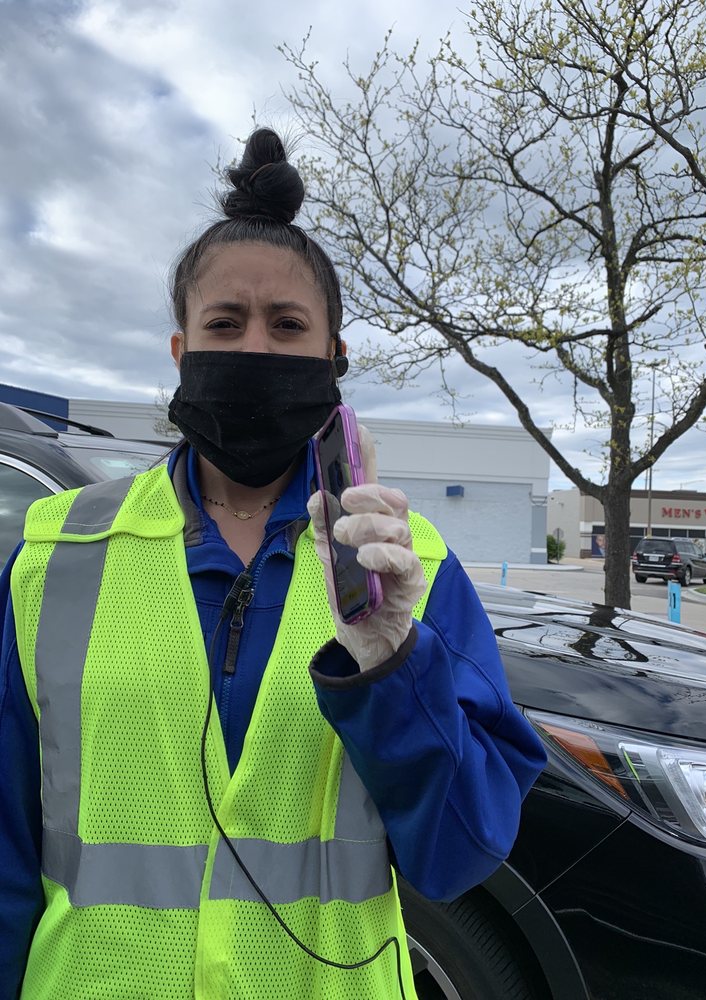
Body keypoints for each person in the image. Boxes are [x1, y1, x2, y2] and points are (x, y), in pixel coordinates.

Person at [0, 128, 546, 999]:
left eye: (288, 325)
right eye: (225, 323)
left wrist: (396, 666)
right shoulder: (55, 556)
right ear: (181, 350)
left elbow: (459, 853)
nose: (254, 348)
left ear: (334, 358)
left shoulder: (414, 571)